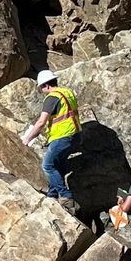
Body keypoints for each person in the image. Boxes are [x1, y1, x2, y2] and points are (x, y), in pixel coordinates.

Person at [20, 69, 79, 202]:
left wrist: (28, 138)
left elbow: (41, 122)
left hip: (62, 136)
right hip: (75, 135)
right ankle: (52, 195)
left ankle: (65, 195)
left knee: (47, 165)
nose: (41, 90)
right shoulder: (67, 92)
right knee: (57, 165)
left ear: (46, 85)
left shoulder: (52, 97)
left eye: (41, 87)